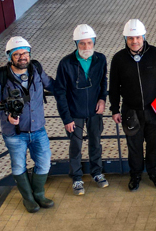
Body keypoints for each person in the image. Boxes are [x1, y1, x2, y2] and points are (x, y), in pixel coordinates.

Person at [0, 37, 55, 213]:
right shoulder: (0, 77)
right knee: (18, 166)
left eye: (25, 53)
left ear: (29, 54)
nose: (22, 57)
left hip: (38, 129)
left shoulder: (36, 70)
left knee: (44, 163)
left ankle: (38, 193)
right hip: (14, 133)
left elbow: (53, 85)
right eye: (17, 54)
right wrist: (6, 116)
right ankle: (28, 199)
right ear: (10, 56)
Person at [109, 19, 156, 192]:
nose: (134, 41)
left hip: (154, 110)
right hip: (131, 111)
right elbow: (114, 86)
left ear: (144, 37)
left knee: (154, 145)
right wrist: (115, 109)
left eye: (138, 37)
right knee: (134, 147)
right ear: (125, 39)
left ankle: (154, 173)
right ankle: (136, 175)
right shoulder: (118, 59)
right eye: (131, 38)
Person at [53, 24, 109, 196]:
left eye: (89, 43)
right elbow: (60, 92)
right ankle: (77, 178)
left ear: (94, 43)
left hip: (94, 110)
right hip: (74, 113)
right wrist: (66, 118)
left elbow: (103, 82)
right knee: (75, 145)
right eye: (82, 44)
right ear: (76, 44)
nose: (86, 47)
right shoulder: (66, 63)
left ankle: (97, 173)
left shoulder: (100, 59)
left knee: (95, 142)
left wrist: (102, 99)